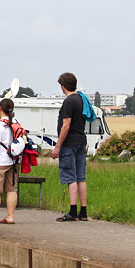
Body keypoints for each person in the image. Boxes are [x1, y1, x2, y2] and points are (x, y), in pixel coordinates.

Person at [53, 72, 88, 222]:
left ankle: (73, 211)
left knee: (70, 177)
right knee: (81, 177)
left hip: (69, 143)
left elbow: (65, 126)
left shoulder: (69, 102)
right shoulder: (81, 99)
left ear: (63, 86)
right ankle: (83, 211)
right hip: (81, 140)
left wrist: (57, 146)